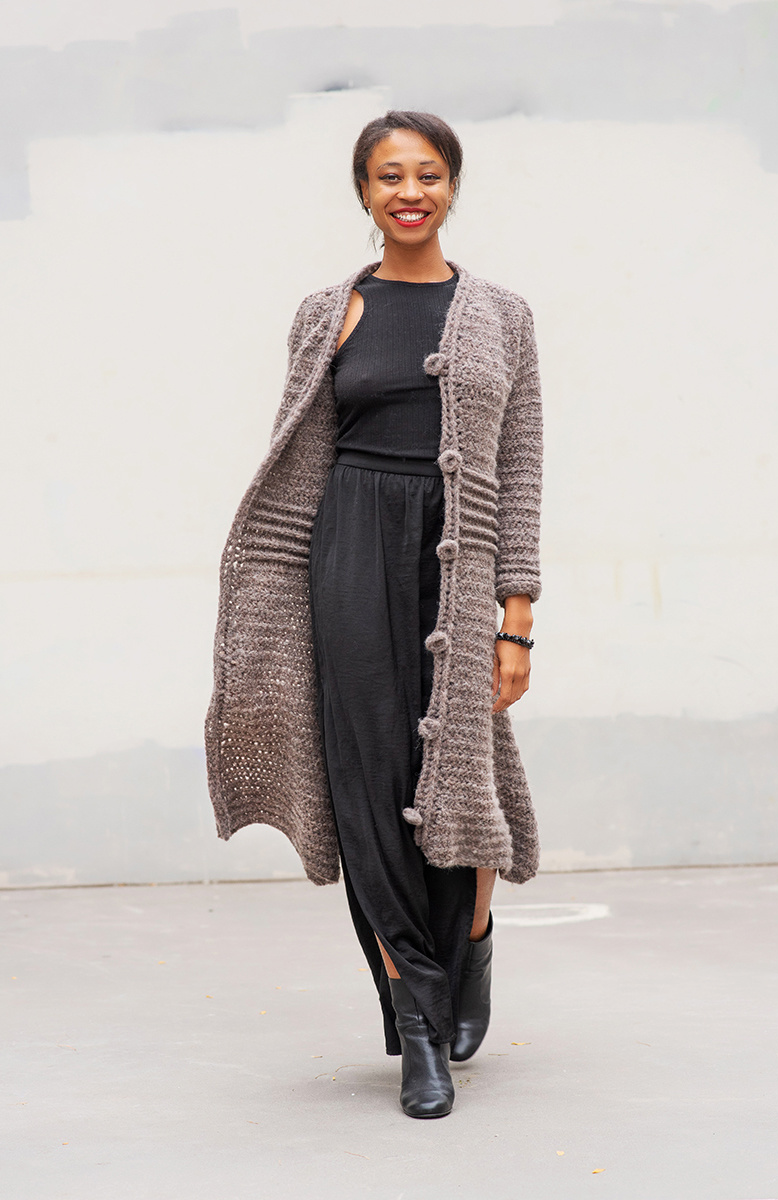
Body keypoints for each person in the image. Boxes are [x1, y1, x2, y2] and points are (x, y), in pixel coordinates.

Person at [205, 110, 543, 1119]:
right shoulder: (326, 313)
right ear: (362, 193)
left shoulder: (501, 315)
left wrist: (514, 617)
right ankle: (418, 1020)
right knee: (364, 788)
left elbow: (520, 469)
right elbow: (297, 460)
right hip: (346, 552)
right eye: (388, 175)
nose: (409, 190)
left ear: (450, 187)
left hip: (458, 561)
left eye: (427, 173)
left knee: (459, 772)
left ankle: (469, 938)